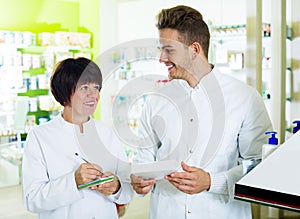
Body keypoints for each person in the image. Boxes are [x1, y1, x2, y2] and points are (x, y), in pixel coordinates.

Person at [130, 5, 273, 219]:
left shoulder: (245, 98)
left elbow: (260, 166)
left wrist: (211, 182)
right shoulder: (156, 101)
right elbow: (143, 161)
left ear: (195, 49)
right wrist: (139, 180)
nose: (161, 58)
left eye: (169, 50)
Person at [22, 57, 133, 219]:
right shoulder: (40, 137)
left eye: (96, 87)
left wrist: (116, 187)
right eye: (84, 87)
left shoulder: (107, 133)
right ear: (65, 91)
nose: (93, 95)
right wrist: (74, 182)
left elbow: (127, 191)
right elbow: (32, 200)